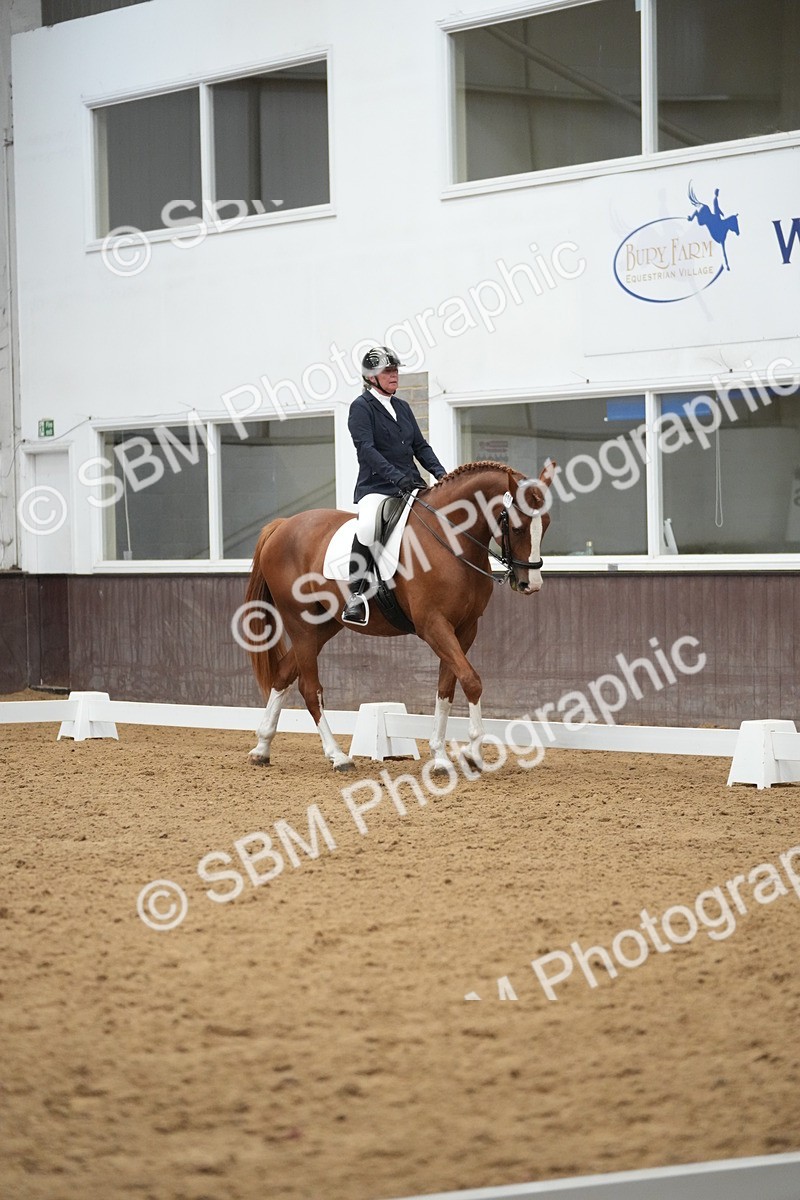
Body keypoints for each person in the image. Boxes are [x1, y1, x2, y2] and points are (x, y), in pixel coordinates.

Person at [342, 346, 447, 625]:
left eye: (395, 370)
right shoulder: (361, 408)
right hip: (377, 487)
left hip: (410, 484)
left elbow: (420, 446)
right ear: (371, 377)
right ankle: (356, 595)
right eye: (388, 371)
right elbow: (366, 450)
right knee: (366, 527)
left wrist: (441, 474)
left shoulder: (402, 406)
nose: (394, 375)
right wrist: (395, 477)